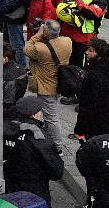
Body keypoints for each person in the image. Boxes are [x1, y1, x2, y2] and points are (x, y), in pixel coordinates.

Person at [2, 94, 65, 208]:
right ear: (35, 115)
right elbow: (56, 170)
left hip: (9, 189)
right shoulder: (38, 138)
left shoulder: (4, 130)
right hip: (35, 192)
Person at [23, 20, 72, 152]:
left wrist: (38, 34)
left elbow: (27, 49)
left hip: (46, 87)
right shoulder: (67, 41)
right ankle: (50, 138)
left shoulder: (40, 49)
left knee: (51, 118)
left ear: (45, 32)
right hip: (59, 83)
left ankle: (57, 147)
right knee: (50, 115)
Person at [74, 39, 109, 140]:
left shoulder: (92, 75)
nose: (86, 52)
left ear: (99, 55)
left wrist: (79, 130)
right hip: (107, 116)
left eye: (91, 51)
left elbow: (86, 105)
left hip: (92, 122)